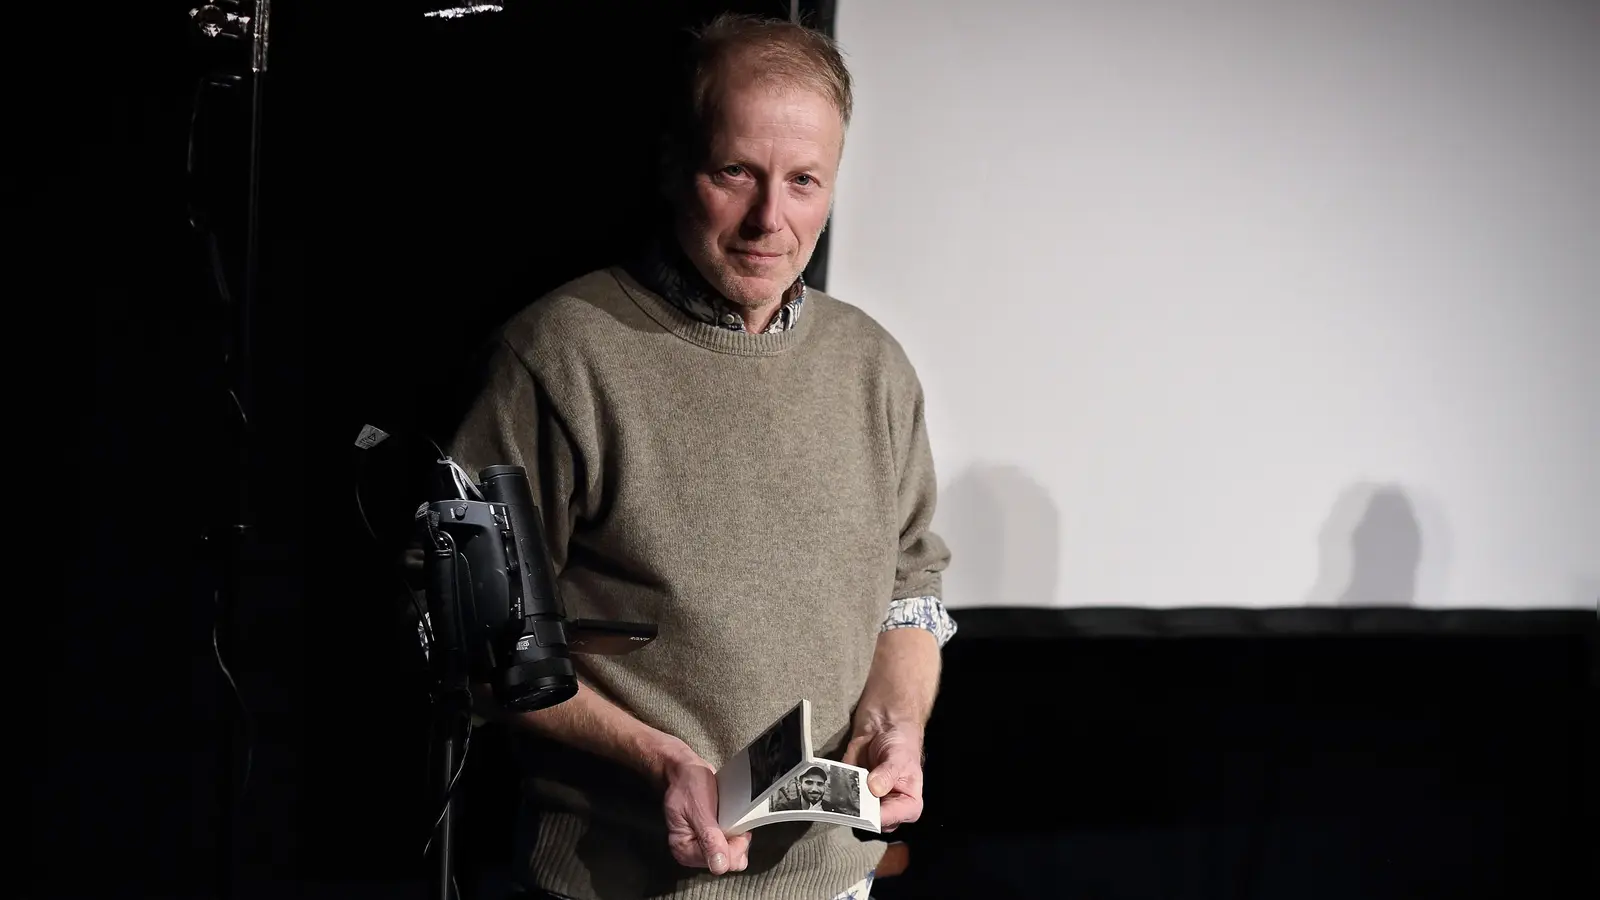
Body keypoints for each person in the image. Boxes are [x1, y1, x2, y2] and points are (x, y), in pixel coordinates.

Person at [450, 13, 956, 900]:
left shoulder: (873, 367)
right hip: (614, 881)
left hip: (833, 882)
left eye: (805, 181)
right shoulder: (565, 354)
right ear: (674, 164)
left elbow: (910, 596)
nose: (771, 219)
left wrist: (895, 719)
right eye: (736, 174)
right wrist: (654, 759)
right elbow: (474, 635)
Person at [770, 766, 852, 815]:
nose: (815, 789)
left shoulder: (832, 810)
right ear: (799, 785)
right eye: (809, 783)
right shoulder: (785, 809)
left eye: (819, 784)